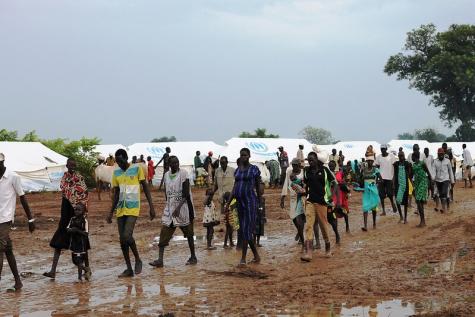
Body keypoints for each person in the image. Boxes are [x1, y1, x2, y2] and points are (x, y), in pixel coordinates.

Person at [106, 149, 156, 278]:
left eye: (121, 161)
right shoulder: (116, 173)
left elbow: (145, 187)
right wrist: (110, 212)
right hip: (121, 208)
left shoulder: (137, 169)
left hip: (133, 207)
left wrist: (151, 206)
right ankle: (128, 268)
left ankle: (138, 260)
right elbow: (116, 193)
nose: (119, 164)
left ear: (126, 158)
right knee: (122, 240)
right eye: (117, 162)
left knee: (127, 235)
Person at [44, 158, 89, 279]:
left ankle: (86, 269)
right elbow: (65, 193)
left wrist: (82, 212)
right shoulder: (64, 178)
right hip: (65, 212)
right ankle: (53, 271)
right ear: (67, 165)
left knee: (82, 243)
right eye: (71, 165)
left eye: (74, 165)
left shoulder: (79, 178)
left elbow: (84, 195)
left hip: (77, 214)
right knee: (59, 241)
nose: (73, 167)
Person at [150, 156, 197, 267]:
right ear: (169, 165)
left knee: (189, 234)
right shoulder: (166, 175)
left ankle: (193, 256)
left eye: (177, 162)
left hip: (184, 208)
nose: (176, 164)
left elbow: (185, 194)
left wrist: (178, 208)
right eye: (173, 163)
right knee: (164, 233)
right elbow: (167, 193)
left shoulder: (183, 173)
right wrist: (170, 205)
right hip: (170, 209)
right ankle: (160, 260)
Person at [0, 153, 35, 291]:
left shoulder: (13, 177)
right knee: (7, 249)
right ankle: (18, 281)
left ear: (2, 163)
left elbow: (23, 198)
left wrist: (30, 219)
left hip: (5, 219)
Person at [225, 148, 261, 266]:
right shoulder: (237, 171)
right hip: (239, 202)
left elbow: (258, 186)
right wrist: (228, 203)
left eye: (245, 155)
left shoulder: (254, 169)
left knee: (246, 230)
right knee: (243, 229)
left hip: (250, 202)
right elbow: (234, 188)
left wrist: (260, 203)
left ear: (249, 156)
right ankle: (256, 255)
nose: (243, 157)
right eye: (241, 155)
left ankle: (243, 258)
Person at [301, 150, 338, 262]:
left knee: (323, 226)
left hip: (322, 202)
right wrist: (303, 192)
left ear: (317, 160)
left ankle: (327, 247)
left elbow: (335, 183)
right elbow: (306, 185)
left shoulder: (325, 170)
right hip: (310, 201)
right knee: (309, 226)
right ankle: (309, 252)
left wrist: (331, 196)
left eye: (312, 159)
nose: (310, 162)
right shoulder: (306, 171)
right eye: (309, 160)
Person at [281, 158, 306, 246]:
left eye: (296, 165)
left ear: (299, 165)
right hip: (292, 198)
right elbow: (285, 184)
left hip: (302, 198)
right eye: (293, 165)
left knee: (300, 218)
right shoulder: (289, 173)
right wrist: (282, 198)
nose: (294, 167)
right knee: (293, 218)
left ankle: (301, 236)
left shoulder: (303, 172)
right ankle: (300, 232)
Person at [212, 156, 236, 248]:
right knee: (227, 221)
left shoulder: (233, 170)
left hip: (232, 199)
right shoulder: (217, 171)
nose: (222, 164)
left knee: (232, 221)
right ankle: (229, 241)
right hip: (223, 199)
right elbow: (215, 185)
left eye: (224, 162)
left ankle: (230, 241)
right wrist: (211, 193)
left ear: (227, 162)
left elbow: (237, 183)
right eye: (221, 163)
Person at [67, 202, 91, 281]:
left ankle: (79, 278)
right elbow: (67, 229)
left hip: (81, 244)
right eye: (75, 209)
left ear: (83, 211)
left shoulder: (85, 221)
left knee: (79, 260)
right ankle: (85, 269)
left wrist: (77, 230)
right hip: (74, 243)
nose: (76, 211)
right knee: (74, 261)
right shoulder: (72, 219)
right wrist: (71, 230)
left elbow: (86, 233)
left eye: (79, 210)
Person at [358, 149, 381, 232]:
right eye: (369, 161)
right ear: (367, 161)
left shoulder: (376, 169)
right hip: (366, 191)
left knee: (374, 207)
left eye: (371, 161)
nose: (370, 162)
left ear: (373, 161)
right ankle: (365, 226)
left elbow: (380, 180)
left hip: (373, 190)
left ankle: (374, 223)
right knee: (365, 207)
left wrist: (375, 183)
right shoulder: (363, 170)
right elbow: (360, 181)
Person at [329, 160, 350, 234]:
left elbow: (341, 184)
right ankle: (337, 230)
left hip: (340, 195)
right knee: (334, 212)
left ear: (335, 166)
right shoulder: (332, 174)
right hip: (334, 194)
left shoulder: (337, 174)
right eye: (329, 166)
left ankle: (347, 226)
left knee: (343, 211)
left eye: (332, 166)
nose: (330, 167)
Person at [375, 144, 397, 215]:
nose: (383, 150)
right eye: (381, 149)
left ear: (386, 149)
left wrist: (394, 179)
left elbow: (395, 166)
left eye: (384, 149)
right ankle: (383, 210)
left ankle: (393, 203)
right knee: (381, 195)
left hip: (389, 178)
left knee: (390, 194)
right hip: (381, 178)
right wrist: (377, 178)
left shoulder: (391, 156)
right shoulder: (378, 157)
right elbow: (376, 167)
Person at [411, 152, 431, 227]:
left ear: (415, 157)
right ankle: (423, 221)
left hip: (423, 182)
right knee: (420, 201)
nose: (412, 158)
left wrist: (431, 181)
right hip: (417, 183)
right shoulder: (413, 165)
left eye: (412, 157)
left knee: (418, 200)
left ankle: (422, 221)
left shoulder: (422, 163)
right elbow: (412, 175)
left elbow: (428, 172)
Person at [433, 148, 455, 213]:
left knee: (444, 192)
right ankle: (445, 206)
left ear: (443, 154)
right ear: (438, 154)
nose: (441, 155)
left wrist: (452, 181)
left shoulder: (447, 161)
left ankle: (443, 208)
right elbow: (434, 171)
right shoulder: (435, 161)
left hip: (445, 179)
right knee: (441, 195)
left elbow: (450, 171)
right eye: (439, 154)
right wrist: (433, 178)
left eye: (442, 154)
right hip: (438, 180)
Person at [394, 151, 412, 224]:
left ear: (404, 156)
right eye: (399, 156)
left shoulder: (407, 164)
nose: (401, 157)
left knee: (405, 202)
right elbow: (395, 174)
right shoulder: (396, 164)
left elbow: (410, 174)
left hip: (405, 185)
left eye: (402, 155)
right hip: (398, 185)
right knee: (398, 201)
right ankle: (401, 216)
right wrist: (393, 184)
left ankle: (405, 218)